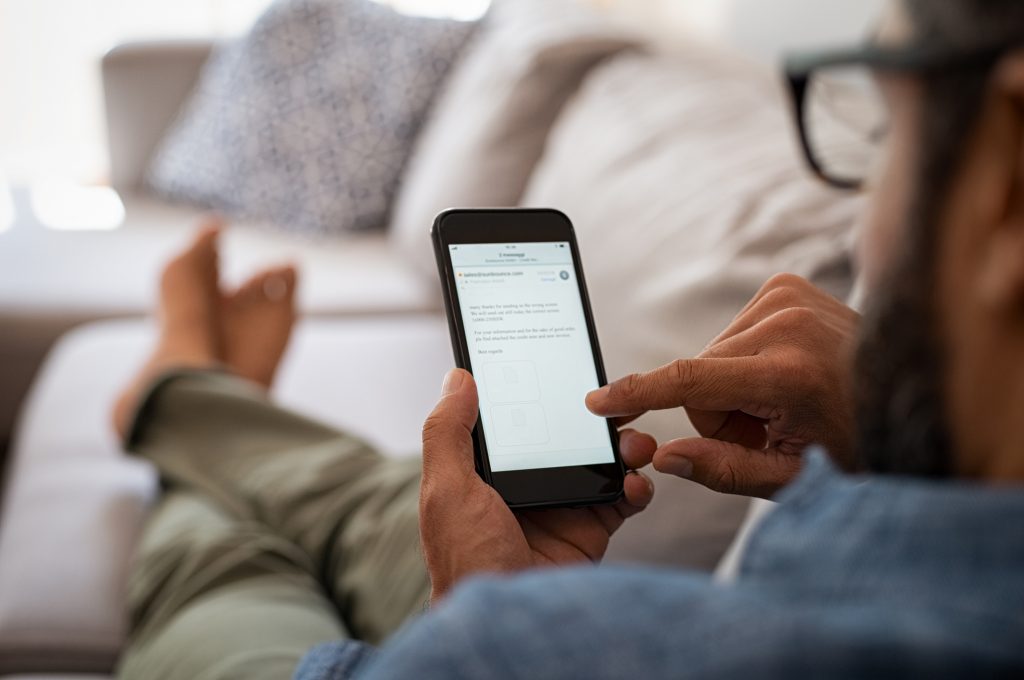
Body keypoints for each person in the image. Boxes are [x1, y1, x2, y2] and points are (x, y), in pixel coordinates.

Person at [115, 0, 1024, 677]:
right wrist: (896, 448)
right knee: (378, 499)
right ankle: (206, 402)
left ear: (1010, 187)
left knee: (228, 562)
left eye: (883, 135)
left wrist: (484, 620)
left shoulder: (518, 646)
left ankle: (182, 390)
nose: (866, 228)